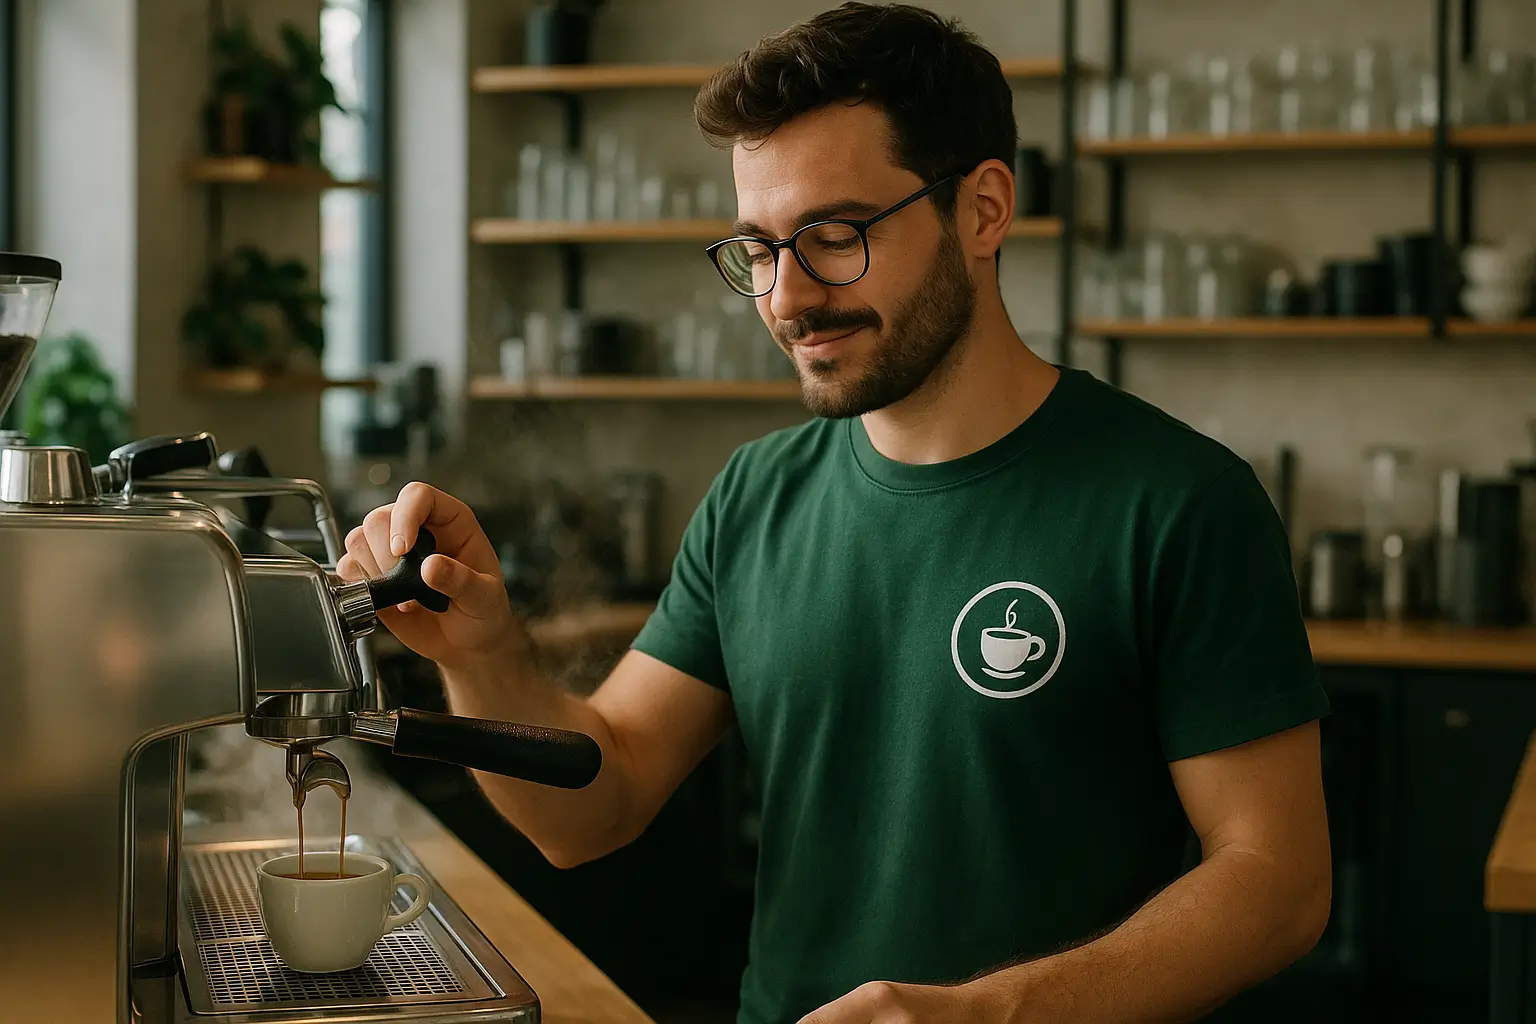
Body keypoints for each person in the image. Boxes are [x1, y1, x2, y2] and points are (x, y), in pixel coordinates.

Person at [339, 4, 1332, 1022]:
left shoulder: (1177, 502)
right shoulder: (754, 496)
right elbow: (594, 805)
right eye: (759, 249)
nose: (786, 297)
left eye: (835, 236)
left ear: (984, 210)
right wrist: (482, 652)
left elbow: (1278, 882)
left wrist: (985, 1014)